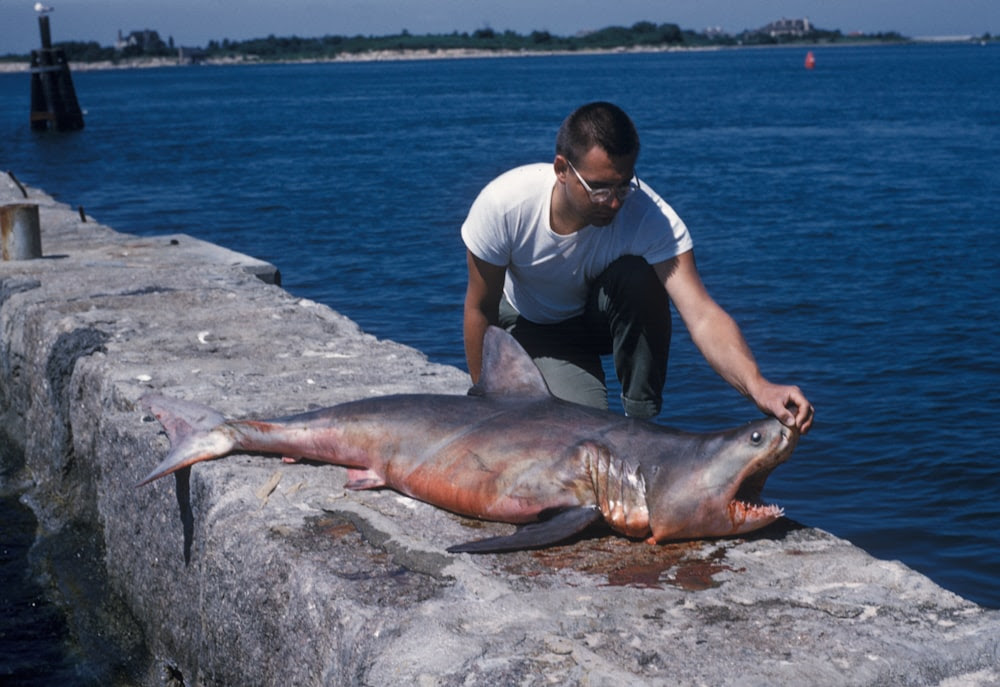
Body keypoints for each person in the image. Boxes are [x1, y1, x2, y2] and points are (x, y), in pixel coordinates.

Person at [461, 101, 813, 434]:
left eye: (623, 186)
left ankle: (641, 427)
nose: (613, 202)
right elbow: (481, 309)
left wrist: (758, 386)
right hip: (530, 325)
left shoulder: (650, 218)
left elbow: (703, 315)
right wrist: (487, 405)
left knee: (640, 278)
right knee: (574, 433)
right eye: (599, 189)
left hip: (595, 321)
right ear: (562, 170)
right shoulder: (505, 205)